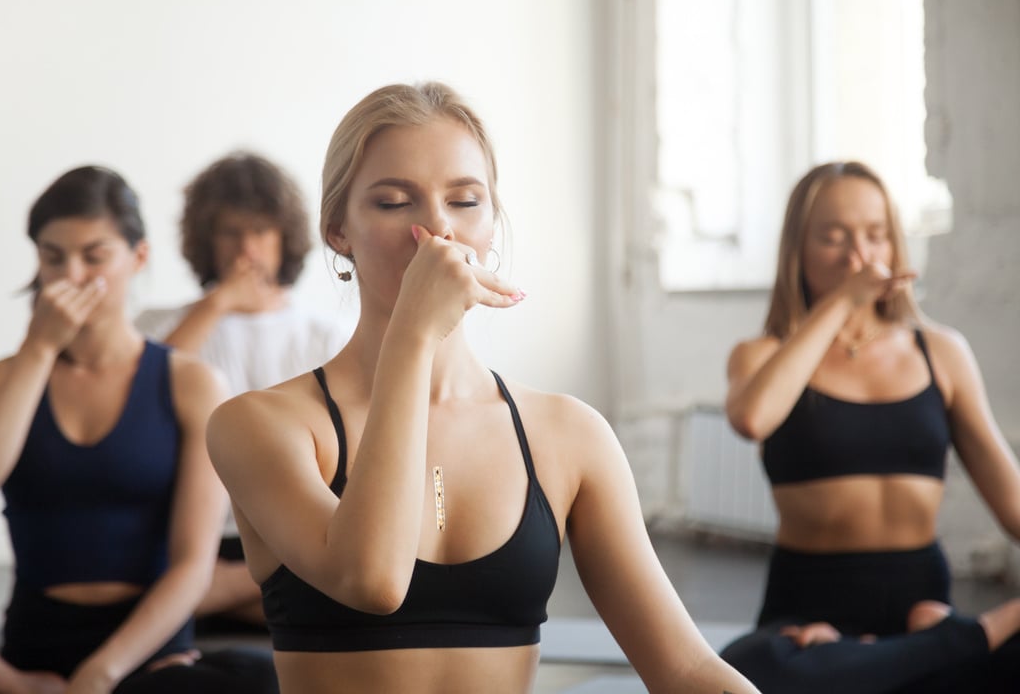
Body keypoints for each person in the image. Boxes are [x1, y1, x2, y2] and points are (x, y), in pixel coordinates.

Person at [205, 81, 762, 694]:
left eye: (466, 201)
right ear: (339, 230)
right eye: (394, 203)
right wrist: (413, 340)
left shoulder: (568, 435)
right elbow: (374, 580)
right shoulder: (260, 424)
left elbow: (684, 668)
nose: (437, 229)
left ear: (492, 224)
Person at [0, 166, 277, 693]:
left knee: (260, 679)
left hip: (148, 655)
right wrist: (38, 350)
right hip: (33, 644)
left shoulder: (190, 383)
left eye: (94, 255)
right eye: (53, 256)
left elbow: (193, 565)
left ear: (137, 258)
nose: (72, 276)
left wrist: (99, 674)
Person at [719, 161, 1020, 693]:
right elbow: (751, 418)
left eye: (876, 235)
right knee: (748, 672)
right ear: (799, 252)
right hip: (807, 613)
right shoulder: (762, 355)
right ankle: (961, 641)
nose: (860, 256)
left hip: (917, 598)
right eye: (834, 238)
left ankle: (928, 647)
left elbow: (1012, 503)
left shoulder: (941, 353)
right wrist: (841, 303)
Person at [136, 152, 350, 631]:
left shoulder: (326, 334)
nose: (246, 248)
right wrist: (219, 303)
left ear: (283, 238)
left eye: (260, 232)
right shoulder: (160, 325)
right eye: (230, 232)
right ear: (207, 240)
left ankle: (201, 596)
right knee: (327, 599)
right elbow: (136, 404)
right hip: (193, 532)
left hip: (295, 528)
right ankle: (255, 594)